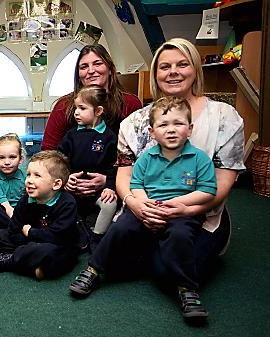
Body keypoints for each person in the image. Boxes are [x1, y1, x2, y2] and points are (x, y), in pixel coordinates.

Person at [68, 38, 245, 323]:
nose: (173, 72)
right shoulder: (137, 123)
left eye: (182, 64)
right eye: (165, 66)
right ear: (155, 73)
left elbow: (219, 186)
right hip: (144, 209)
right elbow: (128, 178)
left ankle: (170, 265)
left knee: (167, 274)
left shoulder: (223, 118)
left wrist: (185, 209)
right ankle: (98, 268)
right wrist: (136, 204)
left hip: (196, 215)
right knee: (122, 240)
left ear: (195, 69)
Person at [69, 96, 217, 320]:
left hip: (179, 213)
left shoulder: (199, 159)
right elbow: (135, 185)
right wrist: (143, 204)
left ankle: (187, 289)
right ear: (152, 131)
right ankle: (94, 270)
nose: (171, 130)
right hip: (146, 208)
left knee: (180, 236)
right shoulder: (146, 158)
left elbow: (208, 191)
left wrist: (181, 204)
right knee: (119, 229)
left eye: (178, 124)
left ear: (190, 128)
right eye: (163, 125)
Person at [41, 44, 142, 203]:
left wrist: (109, 181)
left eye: (97, 63)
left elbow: (140, 155)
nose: (91, 70)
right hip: (68, 183)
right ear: (78, 74)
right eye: (84, 66)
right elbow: (49, 152)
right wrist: (64, 178)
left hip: (117, 184)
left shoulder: (130, 104)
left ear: (109, 68)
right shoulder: (64, 106)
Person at [0, 150, 80, 280]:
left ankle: (9, 260)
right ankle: (32, 263)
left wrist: (30, 233)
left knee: (57, 253)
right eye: (28, 175)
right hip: (31, 241)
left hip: (56, 243)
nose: (29, 180)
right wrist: (28, 243)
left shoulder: (67, 203)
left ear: (56, 184)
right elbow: (13, 229)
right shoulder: (26, 199)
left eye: (37, 176)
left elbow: (57, 236)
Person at [57, 84, 118, 251]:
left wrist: (110, 187)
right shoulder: (71, 135)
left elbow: (115, 165)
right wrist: (65, 180)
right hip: (73, 189)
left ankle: (97, 237)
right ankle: (81, 231)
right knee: (60, 203)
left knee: (110, 204)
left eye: (82, 108)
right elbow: (59, 160)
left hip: (97, 190)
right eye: (76, 107)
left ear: (98, 111)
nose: (76, 112)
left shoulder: (109, 137)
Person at [0, 133, 26, 228]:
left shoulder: (26, 177)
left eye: (12, 157)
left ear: (21, 159)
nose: (7, 162)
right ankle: (17, 229)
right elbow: (7, 207)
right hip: (3, 213)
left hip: (21, 211)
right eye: (1, 157)